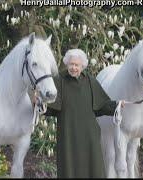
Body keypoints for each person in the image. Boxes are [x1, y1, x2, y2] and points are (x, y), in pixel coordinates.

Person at [34, 49, 124, 178]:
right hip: (68, 135)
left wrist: (118, 104)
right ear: (67, 64)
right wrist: (39, 103)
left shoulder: (90, 81)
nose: (73, 68)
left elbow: (102, 106)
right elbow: (50, 107)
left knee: (93, 167)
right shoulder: (59, 80)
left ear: (82, 66)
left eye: (77, 65)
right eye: (71, 64)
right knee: (69, 168)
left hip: (90, 136)